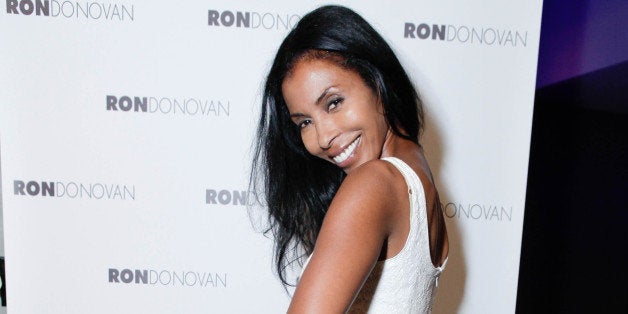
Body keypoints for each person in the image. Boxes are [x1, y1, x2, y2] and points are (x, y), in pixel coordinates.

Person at [251, 5, 448, 313]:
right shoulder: (416, 175)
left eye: (333, 103)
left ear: (377, 82)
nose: (323, 137)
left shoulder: (374, 183)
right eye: (304, 122)